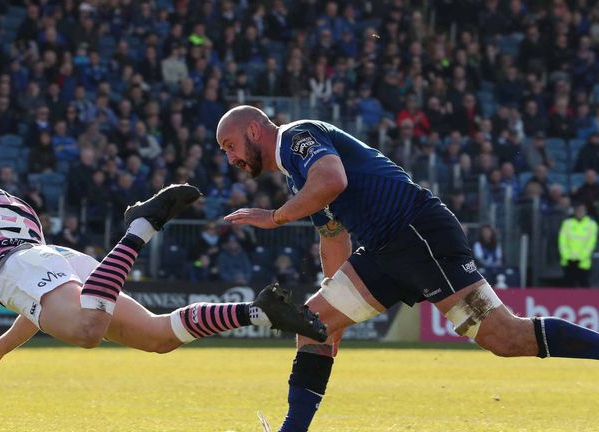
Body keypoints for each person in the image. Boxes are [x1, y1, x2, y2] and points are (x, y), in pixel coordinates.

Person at [215, 106, 599, 432]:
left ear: (254, 129)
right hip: (383, 250)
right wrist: (335, 311)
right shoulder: (296, 173)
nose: (230, 158)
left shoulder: (299, 136)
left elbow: (333, 179)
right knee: (314, 321)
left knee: (504, 338)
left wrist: (276, 217)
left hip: (417, 233)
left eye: (230, 146)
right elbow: (333, 237)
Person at [0, 135, 325, 375]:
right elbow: (40, 301)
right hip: (50, 256)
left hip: (17, 265)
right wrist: (0, 349)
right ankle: (259, 313)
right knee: (157, 337)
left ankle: (138, 227)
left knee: (87, 331)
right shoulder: (15, 204)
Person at [558, 204, 598, 287]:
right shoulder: (567, 223)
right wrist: (568, 257)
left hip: (584, 262)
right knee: (568, 286)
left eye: (582, 210)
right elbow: (562, 242)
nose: (580, 212)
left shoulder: (592, 225)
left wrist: (581, 258)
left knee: (584, 285)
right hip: (568, 261)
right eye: (578, 210)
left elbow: (591, 244)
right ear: (575, 212)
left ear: (586, 212)